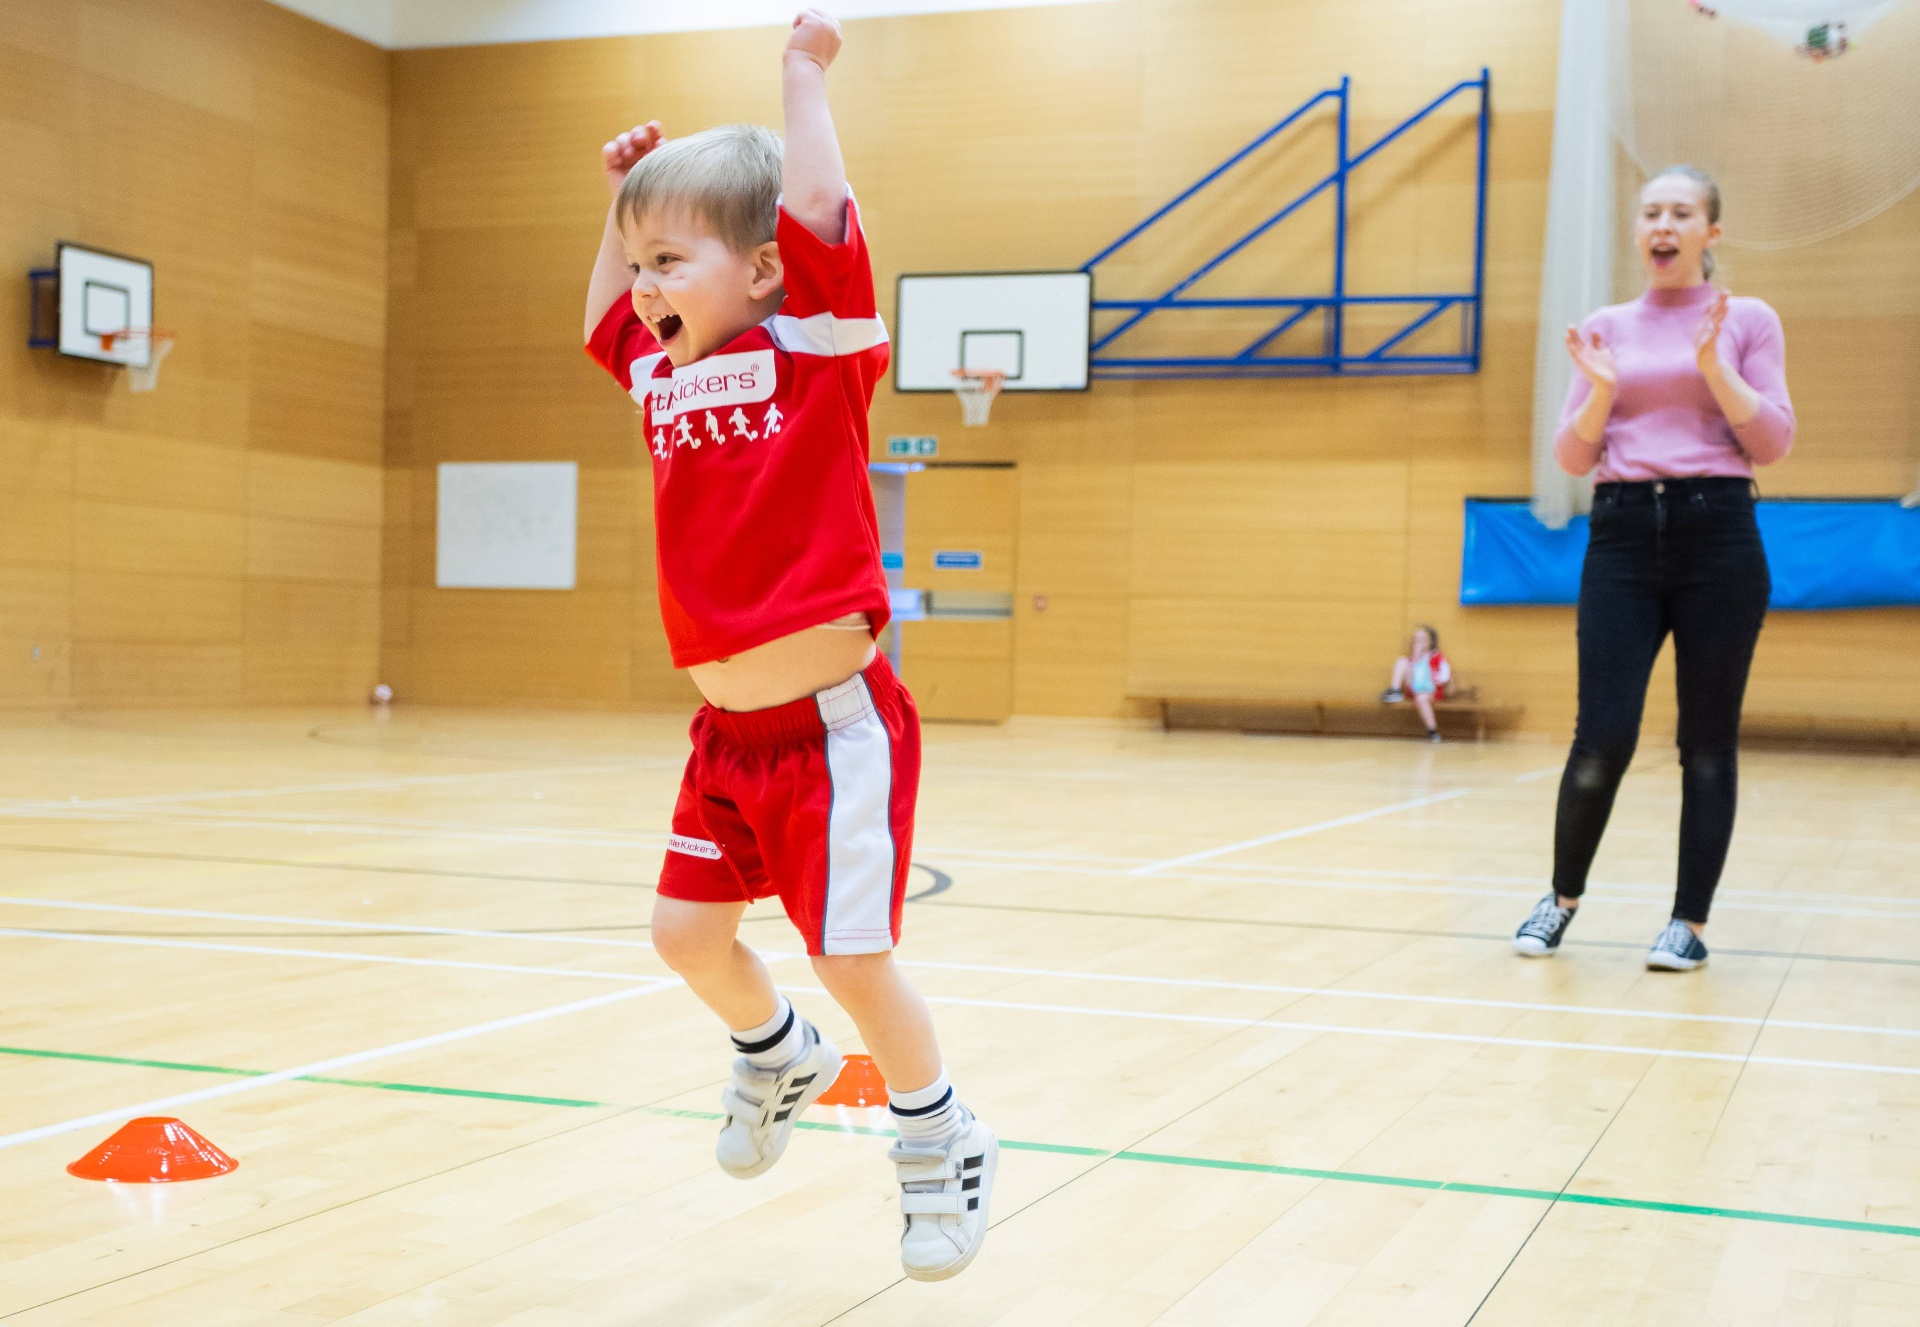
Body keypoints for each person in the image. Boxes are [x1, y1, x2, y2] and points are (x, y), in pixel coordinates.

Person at [580, 11, 995, 1280]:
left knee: (853, 954)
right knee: (684, 935)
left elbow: (814, 199)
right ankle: (777, 1054)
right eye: (643, 264)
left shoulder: (814, 350)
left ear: (764, 271)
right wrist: (621, 206)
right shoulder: (657, 375)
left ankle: (941, 1139)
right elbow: (600, 312)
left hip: (833, 724)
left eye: (673, 260)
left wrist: (800, 75)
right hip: (725, 731)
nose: (646, 288)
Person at [1513, 165, 1793, 971]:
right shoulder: (1606, 326)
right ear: (1639, 232)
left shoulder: (1749, 320)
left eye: (1681, 212)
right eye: (1650, 213)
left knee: (1707, 742)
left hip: (1720, 536)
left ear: (1710, 232)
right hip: (1624, 537)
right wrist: (1600, 391)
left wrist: (1716, 370)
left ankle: (1688, 924)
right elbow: (1571, 453)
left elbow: (1772, 441)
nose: (1662, 225)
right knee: (1600, 734)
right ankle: (1559, 899)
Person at [1381, 624, 1451, 742]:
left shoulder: (1437, 656)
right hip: (1414, 687)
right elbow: (1412, 677)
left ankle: (1432, 730)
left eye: (1422, 640)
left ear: (1431, 641)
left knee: (1421, 699)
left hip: (1431, 691)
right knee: (1401, 661)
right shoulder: (1413, 658)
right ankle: (1395, 690)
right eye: (1417, 640)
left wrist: (1432, 675)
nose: (1419, 643)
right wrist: (1415, 660)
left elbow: (1445, 676)